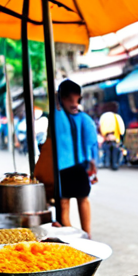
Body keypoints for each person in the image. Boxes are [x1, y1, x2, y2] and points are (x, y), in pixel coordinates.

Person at [54, 79, 99, 238]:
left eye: (76, 100)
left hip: (79, 167)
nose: (74, 103)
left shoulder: (83, 118)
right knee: (63, 203)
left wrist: (93, 165)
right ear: (61, 99)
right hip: (61, 168)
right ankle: (71, 236)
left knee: (83, 199)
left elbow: (91, 143)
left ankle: (87, 235)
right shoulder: (58, 115)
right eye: (69, 99)